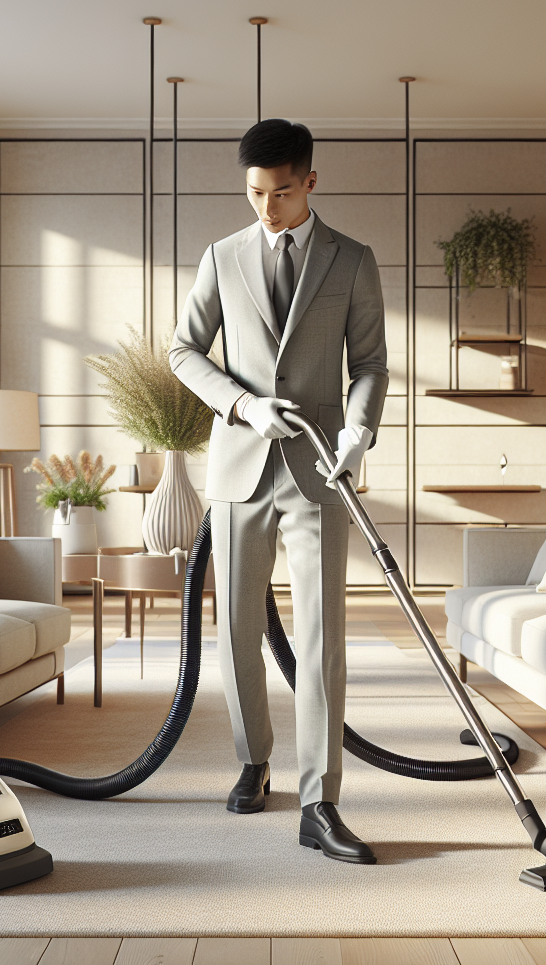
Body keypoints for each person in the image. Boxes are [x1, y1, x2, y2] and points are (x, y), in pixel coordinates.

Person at [169, 119, 388, 864]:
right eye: (256, 193)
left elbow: (371, 366)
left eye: (282, 192)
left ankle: (320, 800)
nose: (267, 207)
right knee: (235, 629)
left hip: (322, 471)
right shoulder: (222, 257)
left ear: (311, 183)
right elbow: (183, 350)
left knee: (322, 637)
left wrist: (359, 435)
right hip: (239, 469)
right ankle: (253, 759)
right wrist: (241, 404)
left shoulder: (352, 261)